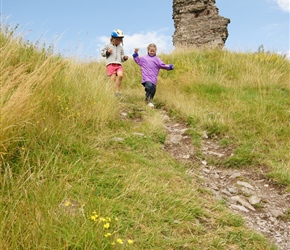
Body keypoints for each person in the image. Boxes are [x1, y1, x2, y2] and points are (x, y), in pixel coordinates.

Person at [101, 29, 128, 96]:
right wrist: (107, 52)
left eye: (120, 40)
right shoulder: (108, 45)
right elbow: (102, 53)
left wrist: (124, 58)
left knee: (121, 75)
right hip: (110, 64)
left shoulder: (121, 48)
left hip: (119, 64)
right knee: (113, 78)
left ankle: (118, 91)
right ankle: (113, 92)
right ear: (113, 39)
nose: (119, 41)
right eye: (118, 39)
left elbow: (122, 57)